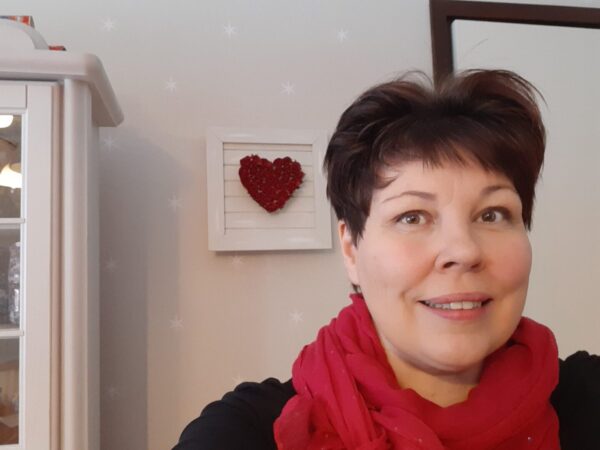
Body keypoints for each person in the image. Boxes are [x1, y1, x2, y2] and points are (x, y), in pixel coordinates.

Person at [174, 70, 600, 450]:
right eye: (412, 217)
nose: (463, 251)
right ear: (350, 248)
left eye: (492, 215)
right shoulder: (244, 432)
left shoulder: (587, 400)